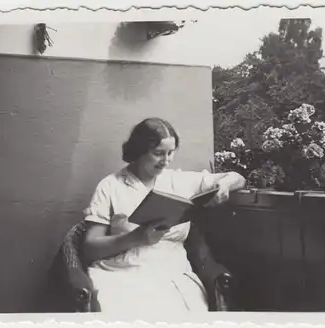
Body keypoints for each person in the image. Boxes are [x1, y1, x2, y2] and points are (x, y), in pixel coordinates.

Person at [82, 117, 246, 315]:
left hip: (172, 271)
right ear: (138, 151)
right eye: (158, 153)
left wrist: (225, 185)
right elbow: (90, 247)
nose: (166, 160)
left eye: (171, 153)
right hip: (122, 271)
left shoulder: (178, 181)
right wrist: (134, 238)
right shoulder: (111, 185)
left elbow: (237, 177)